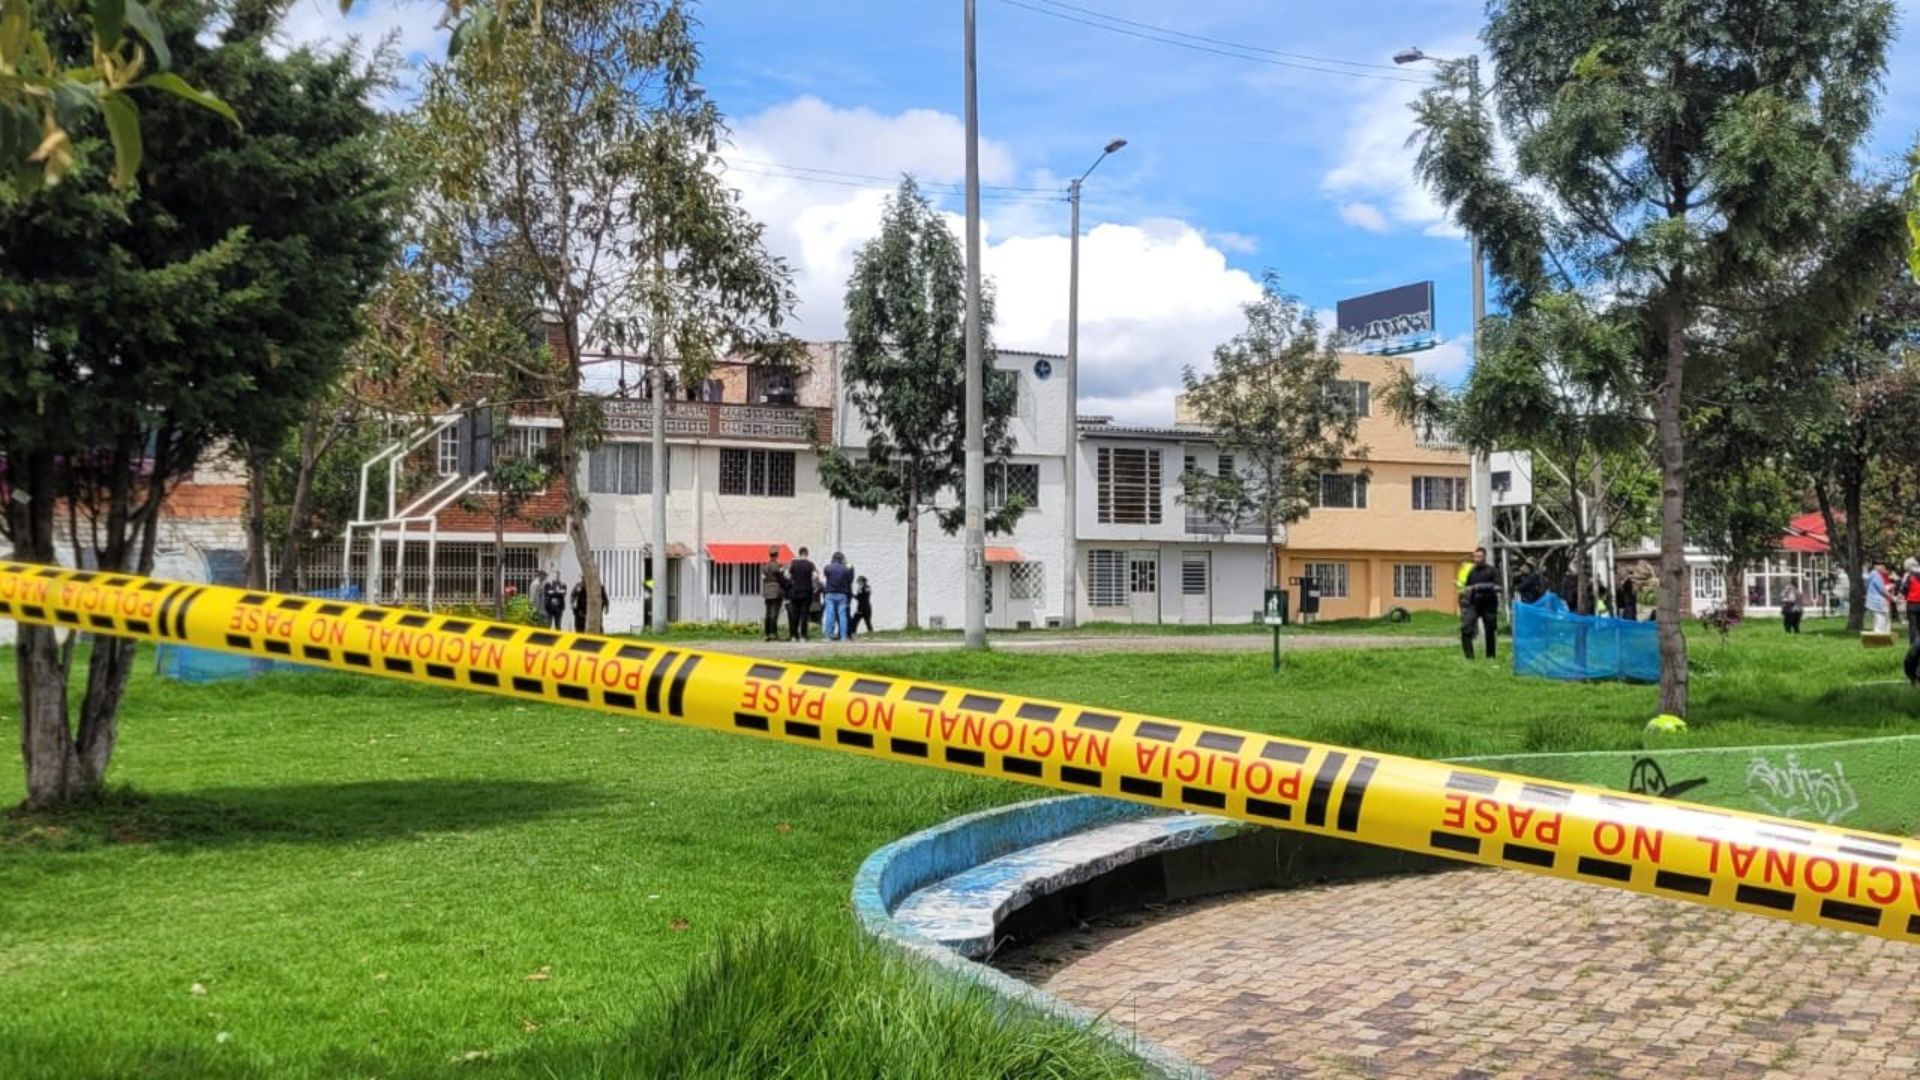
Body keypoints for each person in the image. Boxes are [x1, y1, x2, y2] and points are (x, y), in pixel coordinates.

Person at [1460, 546, 1501, 660]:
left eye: (1479, 556)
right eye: (1475, 557)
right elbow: (1468, 586)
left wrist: (1479, 587)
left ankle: (1490, 657)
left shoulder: (1492, 570)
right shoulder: (1472, 571)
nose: (1476, 559)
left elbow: (1498, 587)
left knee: (1490, 631)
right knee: (1465, 628)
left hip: (1489, 604)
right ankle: (1469, 657)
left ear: (1484, 557)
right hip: (1474, 604)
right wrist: (1465, 592)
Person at [786, 546, 819, 642]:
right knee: (804, 614)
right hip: (806, 592)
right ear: (807, 554)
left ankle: (793, 635)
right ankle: (803, 636)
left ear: (799, 553)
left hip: (795, 592)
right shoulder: (810, 564)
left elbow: (787, 576)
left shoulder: (793, 563)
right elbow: (815, 576)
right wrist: (814, 585)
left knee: (795, 614)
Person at [822, 552, 855, 641]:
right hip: (842, 594)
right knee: (842, 615)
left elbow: (826, 575)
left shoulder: (827, 568)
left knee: (830, 614)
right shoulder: (846, 569)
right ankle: (843, 636)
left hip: (830, 593)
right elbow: (850, 579)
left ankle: (828, 636)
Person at [760, 546, 788, 642]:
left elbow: (763, 579)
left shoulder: (764, 567)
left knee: (767, 612)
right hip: (776, 590)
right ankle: (773, 634)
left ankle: (767, 633)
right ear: (777, 555)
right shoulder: (778, 566)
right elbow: (781, 578)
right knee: (774, 613)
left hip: (767, 591)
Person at [1865, 561, 1892, 636]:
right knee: (1880, 618)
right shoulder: (1876, 575)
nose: (1882, 567)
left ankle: (1882, 634)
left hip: (1876, 600)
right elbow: (1882, 589)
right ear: (1875, 566)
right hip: (1878, 600)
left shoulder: (1873, 575)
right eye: (1880, 565)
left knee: (1879, 618)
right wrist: (1892, 597)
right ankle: (1880, 636)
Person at [1901, 557, 1920, 646]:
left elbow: (1904, 589)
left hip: (1912, 603)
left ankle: (1913, 643)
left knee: (1913, 625)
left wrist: (1905, 596)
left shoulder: (1909, 576)